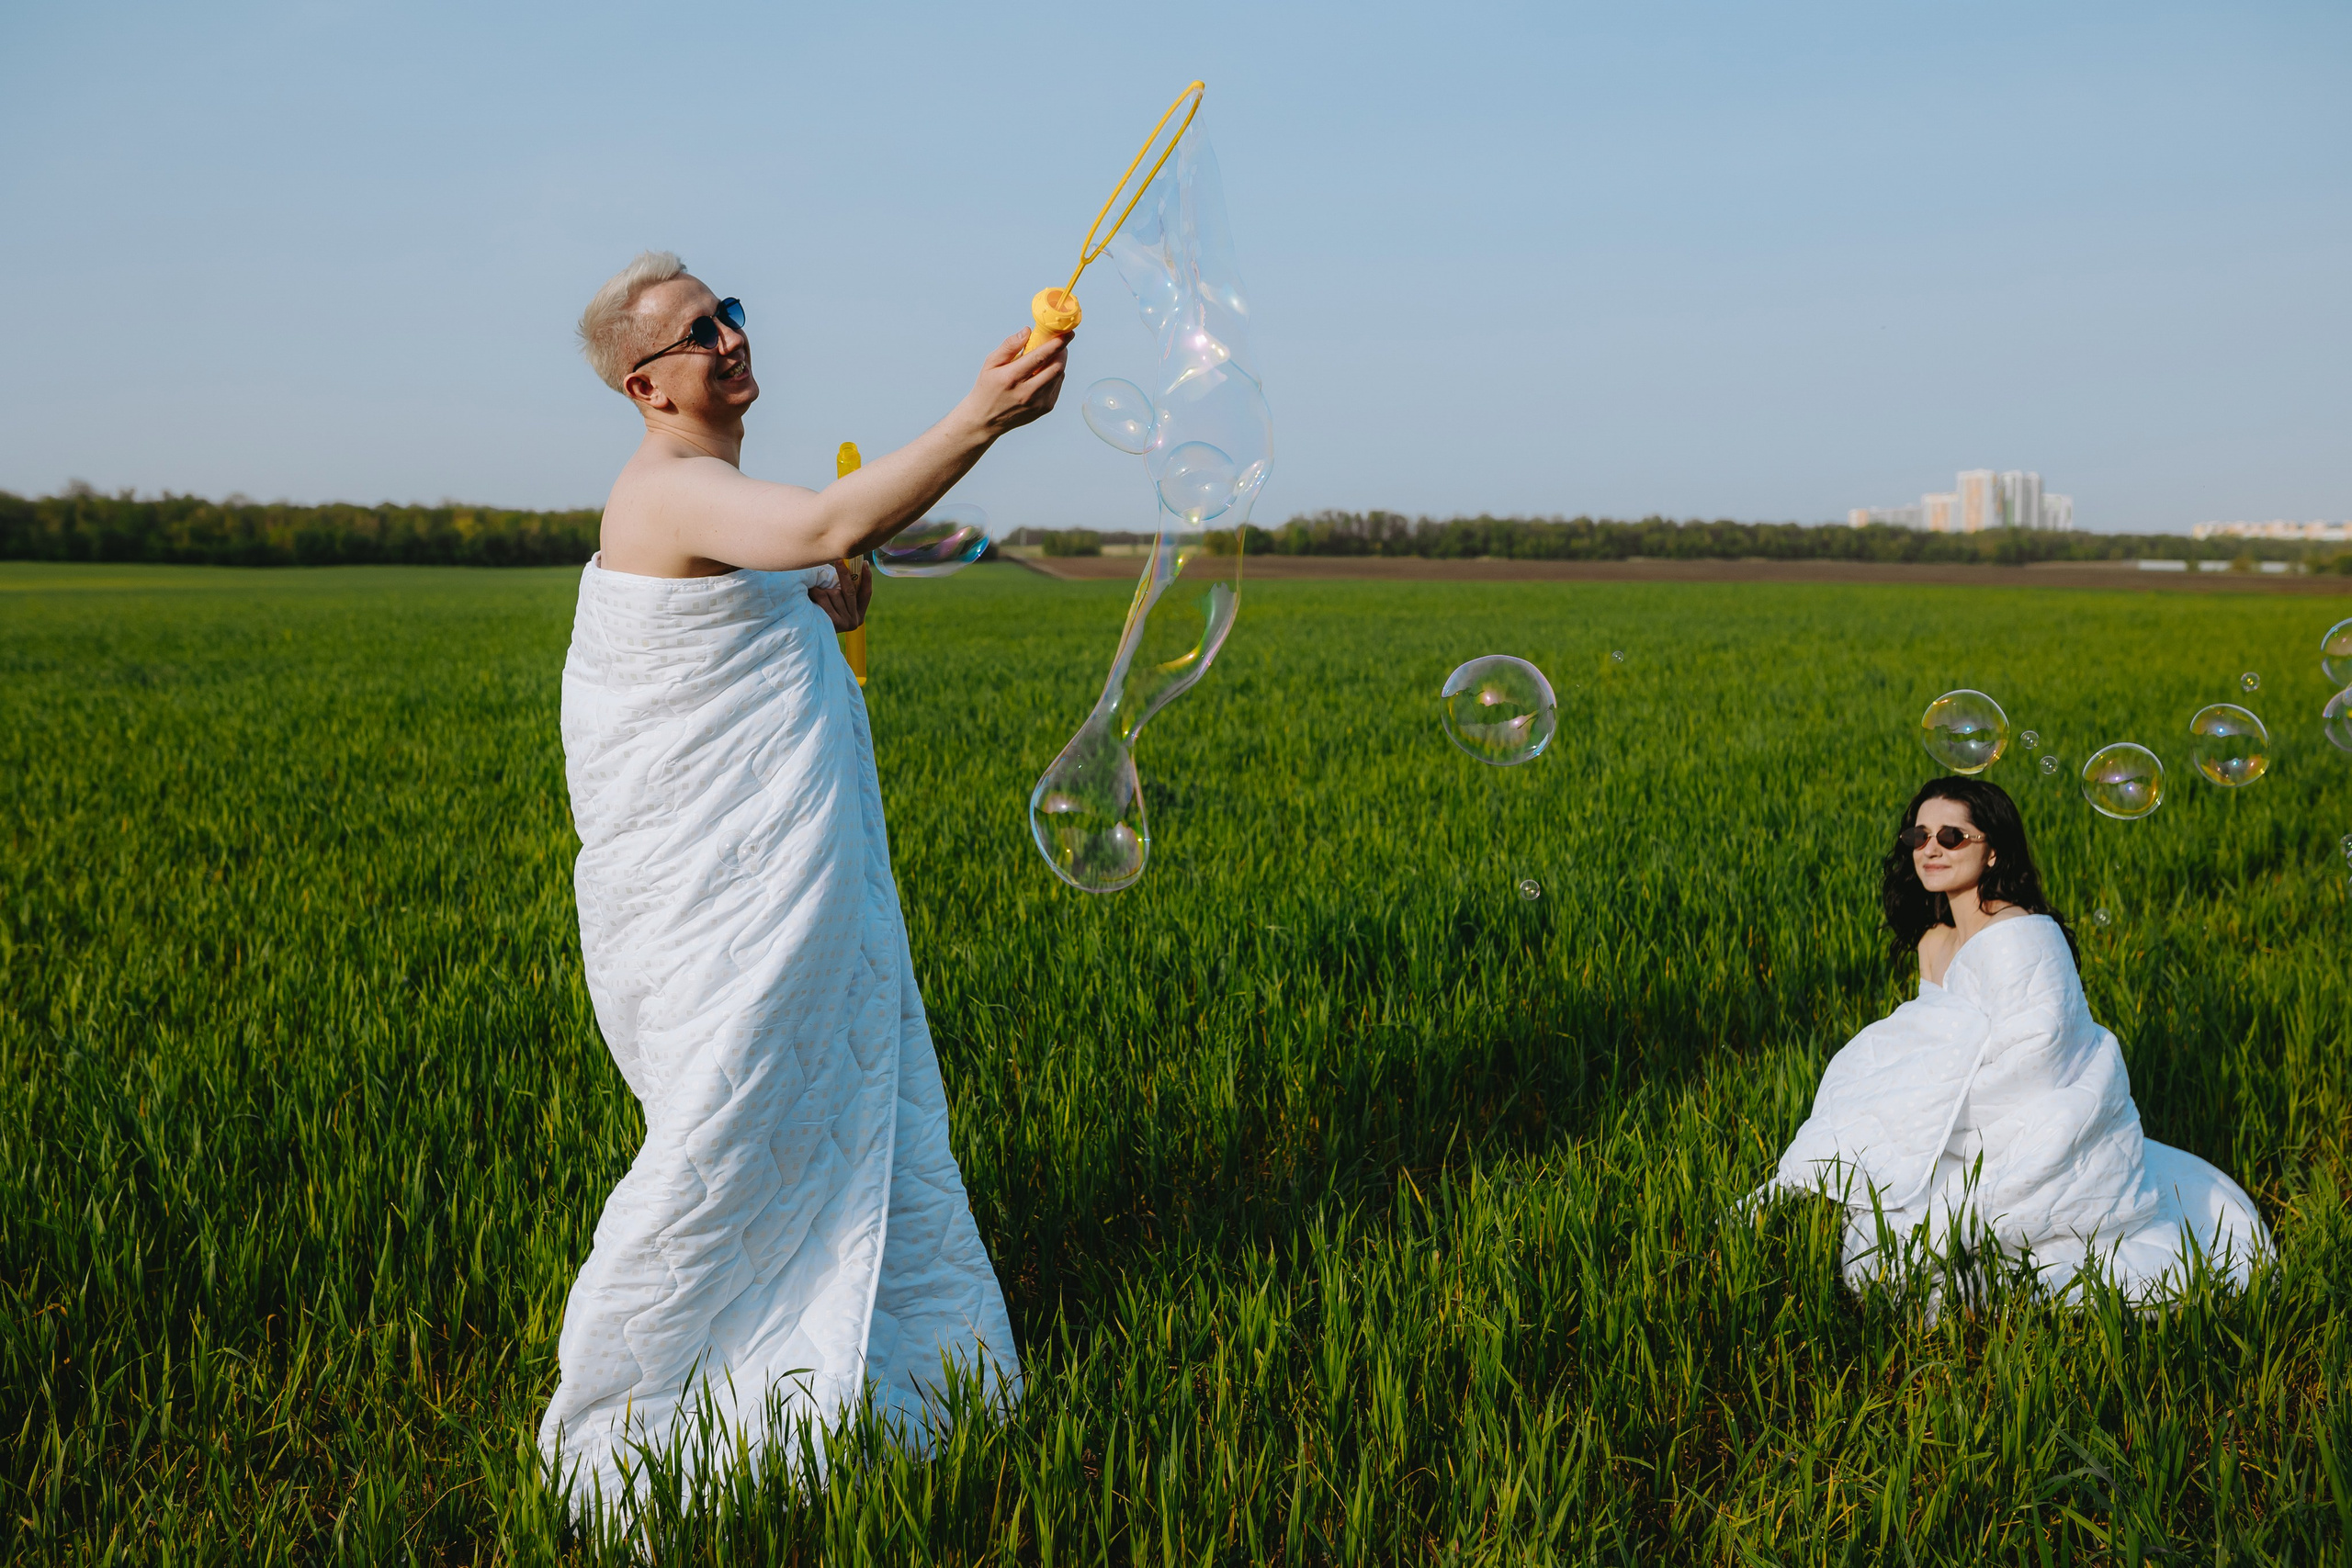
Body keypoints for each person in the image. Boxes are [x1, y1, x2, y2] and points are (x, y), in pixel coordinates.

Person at [538, 251, 1066, 1511]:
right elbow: (831, 523)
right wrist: (982, 416)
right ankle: (658, 1407)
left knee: (802, 1110)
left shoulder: (712, 498)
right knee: (727, 1126)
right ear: (645, 387)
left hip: (775, 892)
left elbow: (791, 573)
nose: (727, 336)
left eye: (727, 313)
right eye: (694, 332)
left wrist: (817, 609)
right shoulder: (668, 490)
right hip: (710, 903)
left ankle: (852, 1343)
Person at [1762, 775, 2270, 1303]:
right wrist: (1901, 1087)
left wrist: (1927, 1097)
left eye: (1952, 837)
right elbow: (1929, 1038)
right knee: (1882, 1233)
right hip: (1954, 1111)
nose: (1931, 849)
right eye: (1919, 836)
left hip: (2024, 1120)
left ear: (1993, 852)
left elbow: (2041, 1055)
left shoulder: (2018, 933)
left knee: (1908, 1256)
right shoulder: (1935, 940)